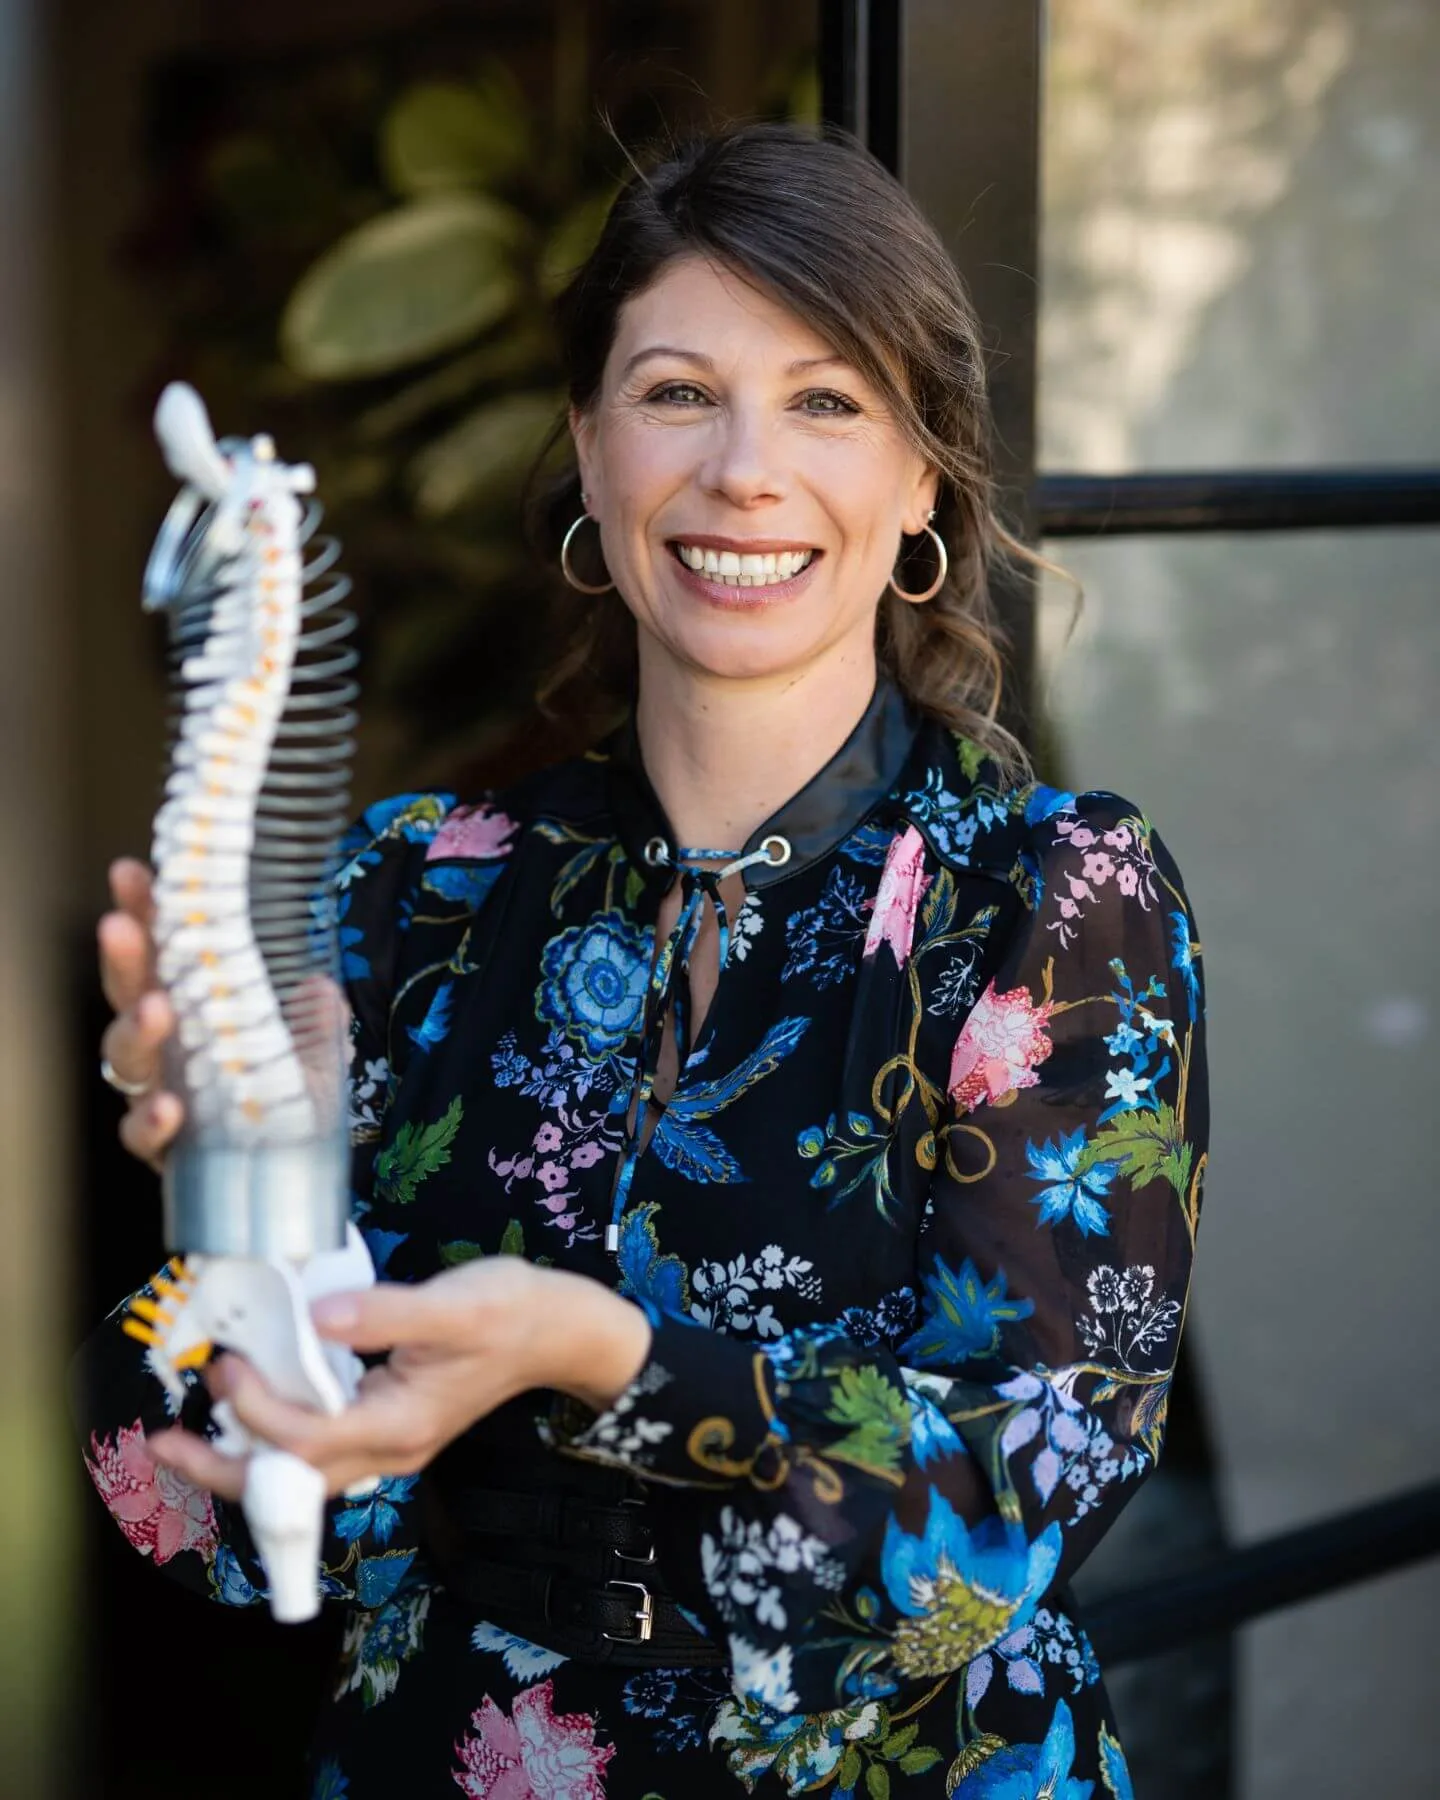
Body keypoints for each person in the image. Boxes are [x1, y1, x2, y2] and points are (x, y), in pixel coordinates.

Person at [79, 122, 1208, 1799]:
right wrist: (259, 1186)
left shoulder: (1052, 898)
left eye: (827, 402)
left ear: (923, 481)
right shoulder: (417, 888)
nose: (745, 470)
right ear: (589, 449)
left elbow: (1006, 1506)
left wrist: (603, 1359)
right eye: (679, 391)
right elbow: (183, 1505)